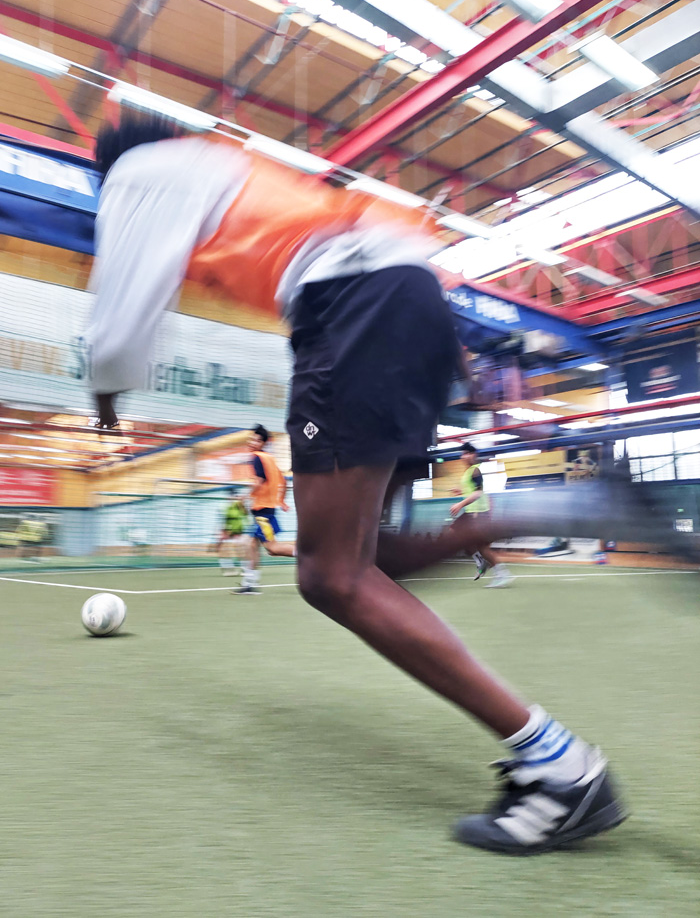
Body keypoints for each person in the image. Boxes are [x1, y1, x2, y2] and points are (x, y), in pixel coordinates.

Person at [86, 111, 641, 855]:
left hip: (351, 309)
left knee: (329, 576)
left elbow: (121, 314)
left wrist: (106, 393)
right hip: (412, 300)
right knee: (370, 557)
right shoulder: (218, 162)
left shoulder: (134, 173)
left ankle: (562, 771)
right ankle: (571, 502)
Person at [235, 424, 295, 595]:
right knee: (253, 544)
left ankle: (307, 555)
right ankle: (249, 584)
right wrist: (281, 500)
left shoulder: (256, 458)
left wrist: (244, 497)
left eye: (256, 439)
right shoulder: (270, 459)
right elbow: (283, 481)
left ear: (262, 443)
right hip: (265, 511)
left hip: (263, 513)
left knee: (271, 548)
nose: (252, 441)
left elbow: (258, 482)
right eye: (251, 438)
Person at [450, 443, 512, 588]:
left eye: (466, 453)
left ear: (473, 455)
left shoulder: (475, 470)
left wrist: (460, 504)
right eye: (462, 454)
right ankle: (480, 562)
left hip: (478, 514)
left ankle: (502, 574)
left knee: (483, 547)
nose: (463, 456)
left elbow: (478, 493)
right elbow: (471, 490)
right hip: (471, 513)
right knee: (454, 533)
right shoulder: (468, 472)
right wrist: (460, 491)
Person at [212, 489, 248, 577]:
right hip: (227, 529)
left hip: (238, 530)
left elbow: (245, 513)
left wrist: (243, 501)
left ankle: (245, 569)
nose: (234, 498)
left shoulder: (239, 505)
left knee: (241, 548)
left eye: (236, 496)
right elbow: (223, 519)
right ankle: (228, 569)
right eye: (233, 496)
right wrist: (222, 532)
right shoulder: (225, 507)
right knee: (222, 548)